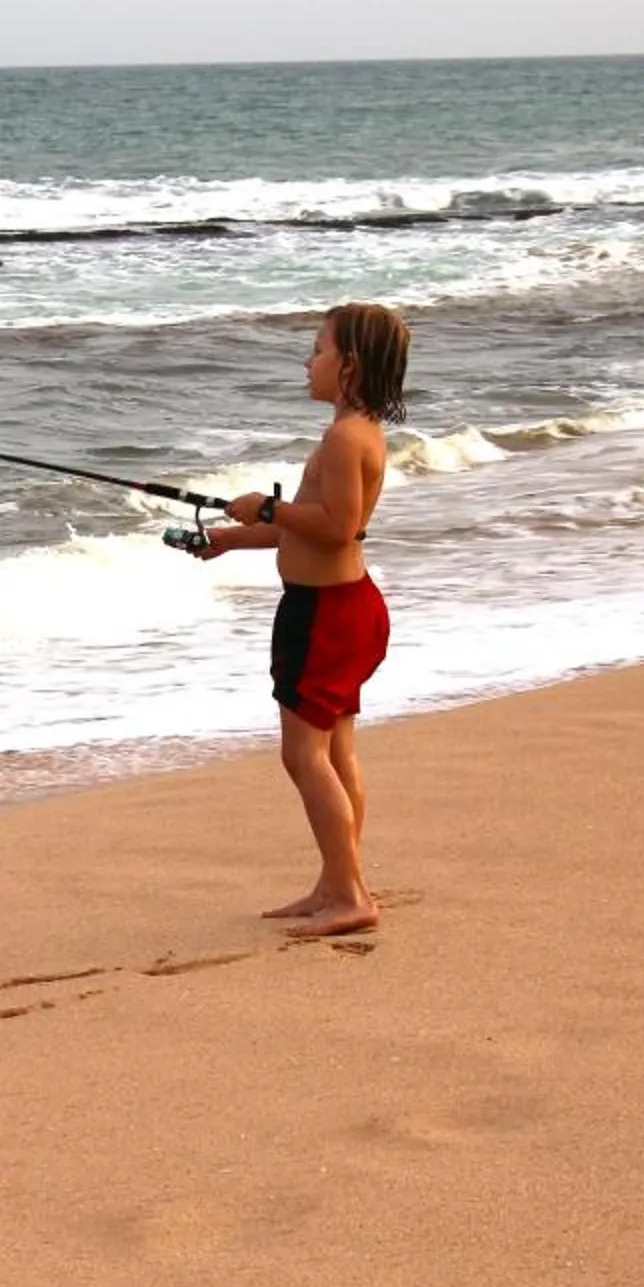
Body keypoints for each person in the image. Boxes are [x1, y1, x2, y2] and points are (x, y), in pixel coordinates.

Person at [198, 302, 411, 939]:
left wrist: (268, 506)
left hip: (326, 617)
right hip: (342, 608)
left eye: (317, 349)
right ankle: (337, 879)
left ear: (347, 367)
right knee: (336, 750)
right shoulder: (353, 429)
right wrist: (237, 536)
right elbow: (316, 532)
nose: (307, 361)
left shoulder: (347, 438)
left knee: (304, 755)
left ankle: (350, 894)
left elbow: (338, 527)